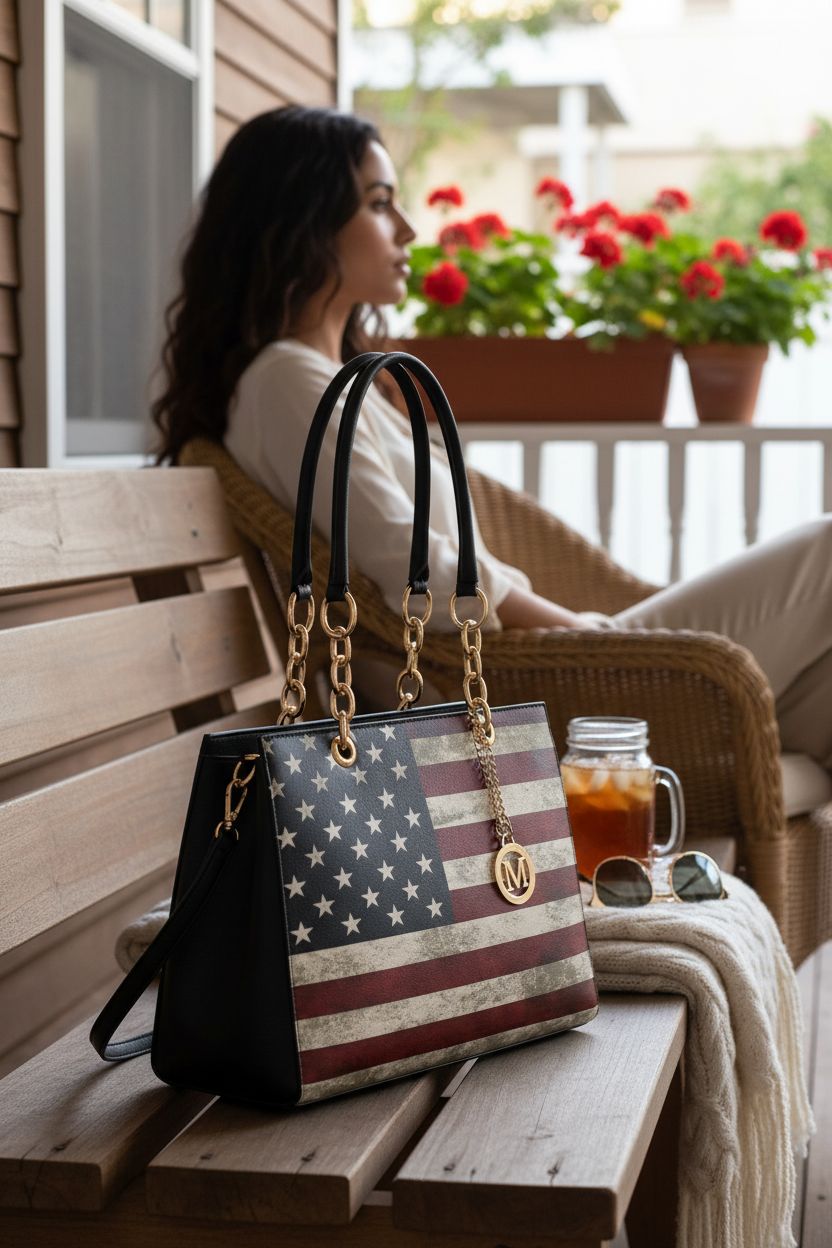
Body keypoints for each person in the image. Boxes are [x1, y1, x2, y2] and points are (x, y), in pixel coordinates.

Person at [152, 105, 832, 774]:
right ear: (300, 221)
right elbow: (421, 571)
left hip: (526, 675)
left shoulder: (327, 381)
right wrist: (590, 640)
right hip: (506, 697)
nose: (409, 229)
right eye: (380, 204)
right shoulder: (289, 384)